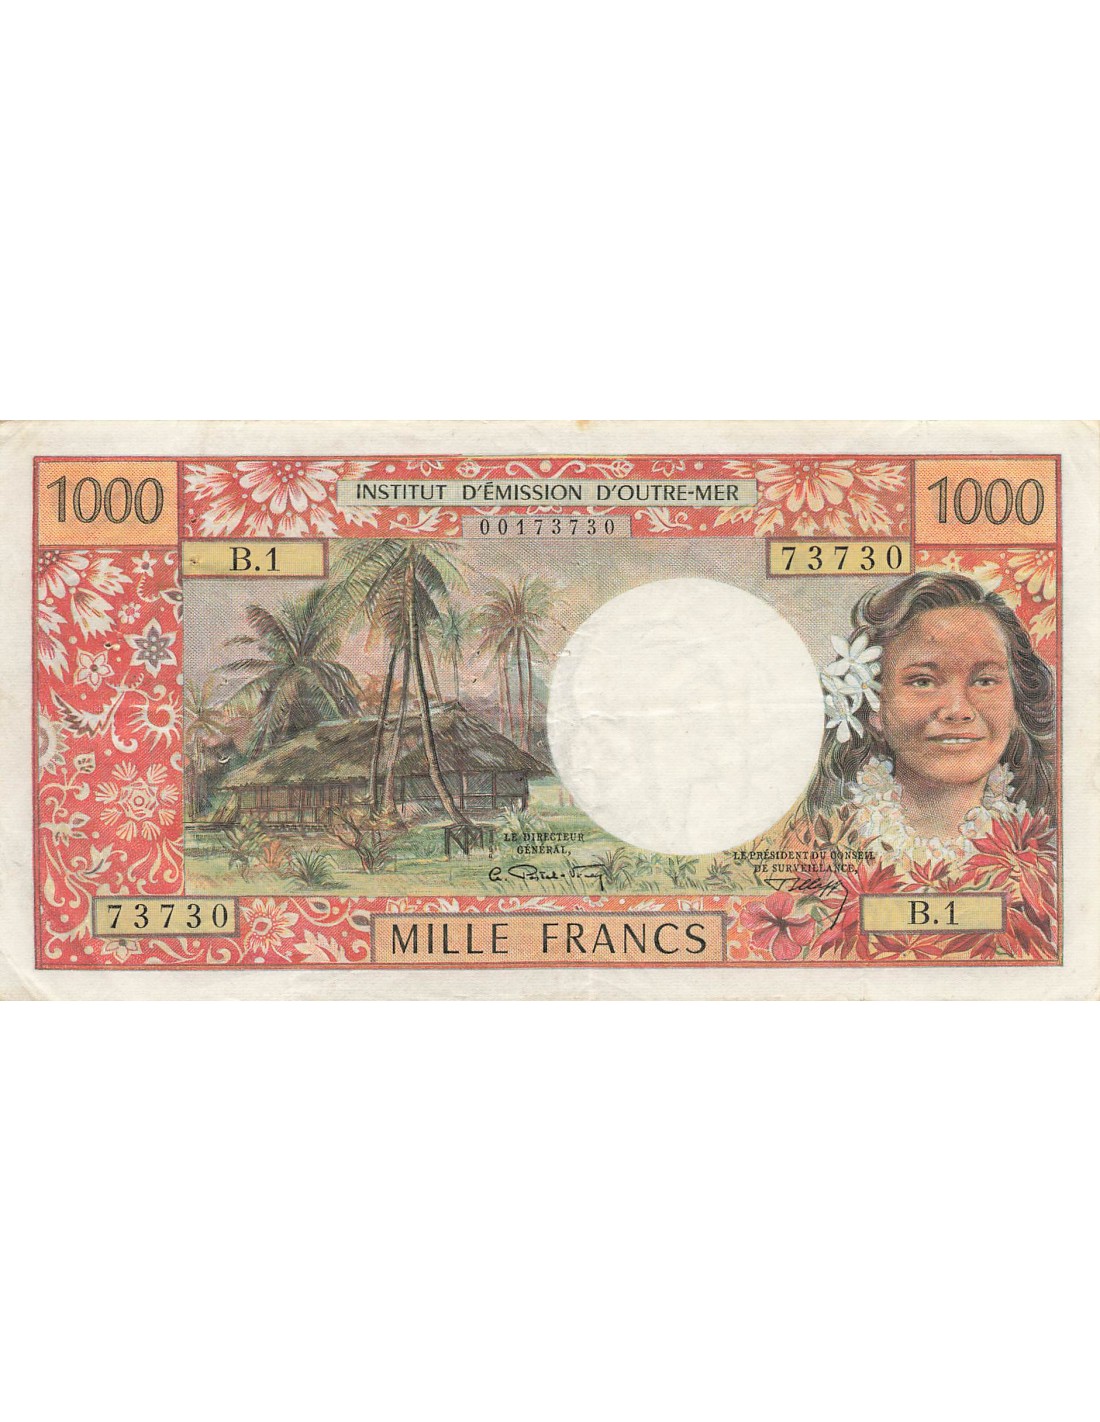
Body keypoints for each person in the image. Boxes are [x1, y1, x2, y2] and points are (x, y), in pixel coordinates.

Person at [804, 571, 1055, 869]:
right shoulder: (821, 848)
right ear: (874, 710)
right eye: (923, 681)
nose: (958, 710)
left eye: (985, 681)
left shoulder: (1047, 856)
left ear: (1016, 706)